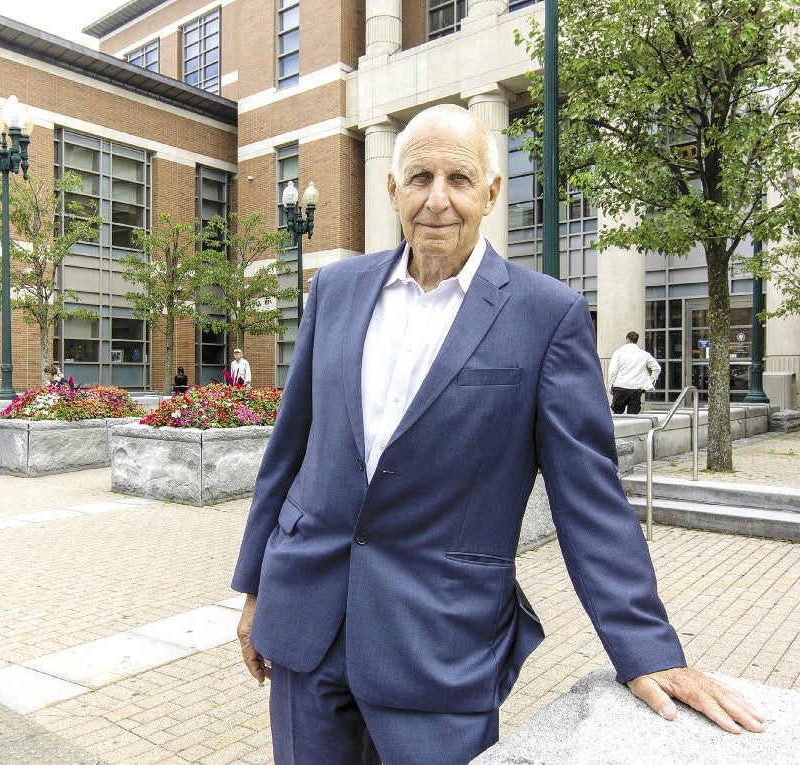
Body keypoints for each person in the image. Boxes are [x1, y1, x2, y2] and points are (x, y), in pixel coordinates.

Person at [232, 104, 763, 765]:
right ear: (392, 190)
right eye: (419, 177)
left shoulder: (547, 317)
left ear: (489, 191)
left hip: (438, 650)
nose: (436, 200)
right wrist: (257, 589)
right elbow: (290, 452)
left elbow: (590, 500)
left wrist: (649, 649)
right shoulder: (335, 289)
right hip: (306, 626)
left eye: (458, 178)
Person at [608, 331, 662, 415]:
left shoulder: (618, 352)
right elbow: (657, 368)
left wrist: (611, 384)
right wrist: (650, 382)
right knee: (633, 417)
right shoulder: (644, 354)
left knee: (617, 414)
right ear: (636, 340)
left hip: (620, 386)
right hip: (636, 388)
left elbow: (612, 371)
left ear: (627, 340)